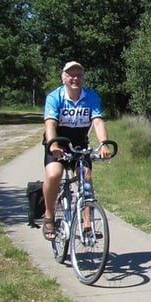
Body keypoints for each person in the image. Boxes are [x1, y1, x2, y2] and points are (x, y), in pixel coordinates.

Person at [41, 61, 112, 241]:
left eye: (79, 75)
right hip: (58, 140)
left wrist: (104, 143)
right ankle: (49, 216)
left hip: (79, 142)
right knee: (54, 175)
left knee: (85, 178)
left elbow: (97, 121)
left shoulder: (90, 96)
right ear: (63, 77)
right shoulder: (55, 97)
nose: (75, 79)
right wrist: (53, 145)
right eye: (71, 75)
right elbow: (50, 124)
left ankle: (87, 226)